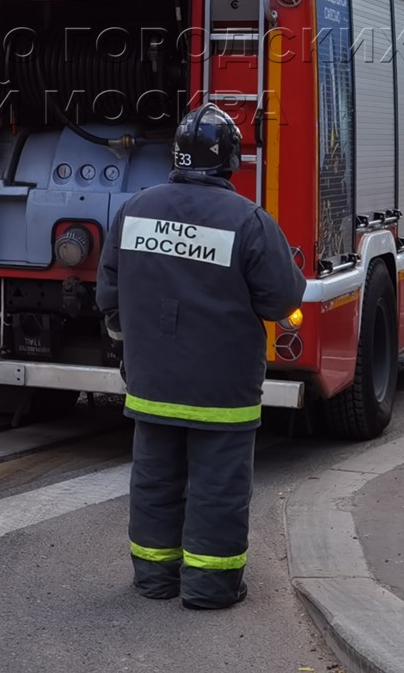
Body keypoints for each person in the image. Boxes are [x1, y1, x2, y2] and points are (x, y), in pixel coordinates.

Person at [96, 104, 306, 609]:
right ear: (230, 160)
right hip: (221, 389)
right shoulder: (249, 220)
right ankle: (210, 588)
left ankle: (154, 579)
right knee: (218, 488)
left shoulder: (135, 209)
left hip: (151, 381)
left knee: (155, 480)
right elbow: (283, 300)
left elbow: (108, 295)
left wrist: (135, 345)